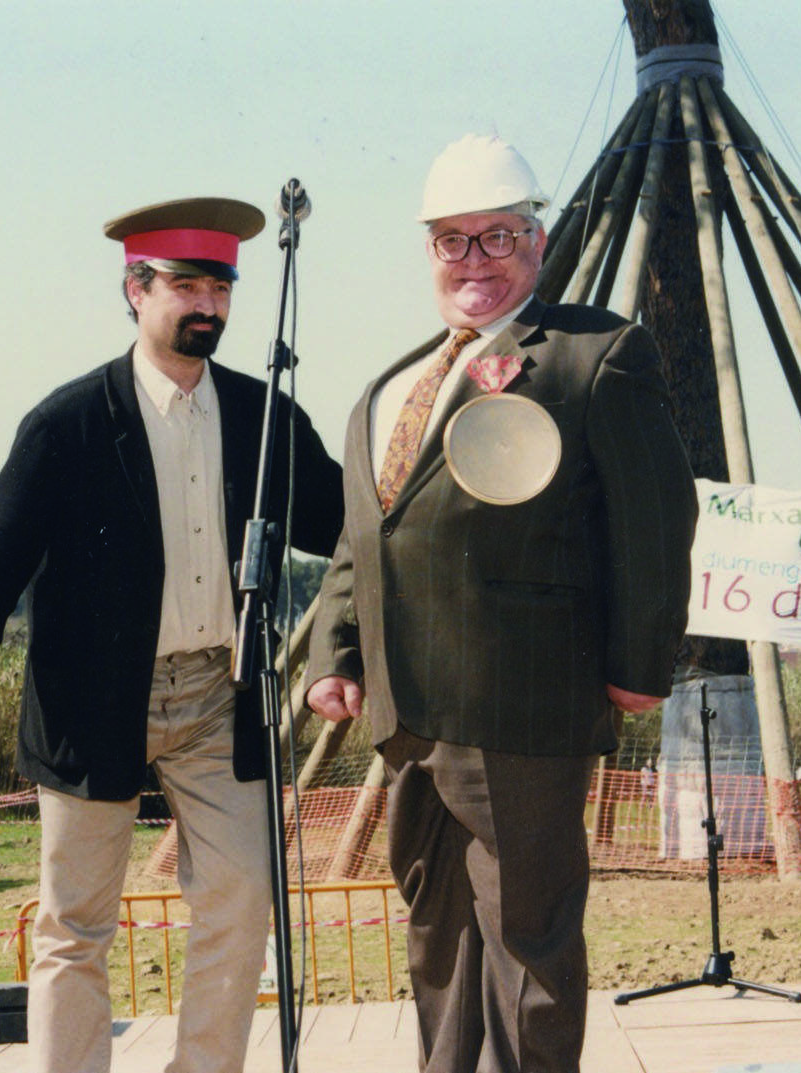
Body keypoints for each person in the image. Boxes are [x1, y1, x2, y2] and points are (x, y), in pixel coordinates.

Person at [0, 197, 344, 1073]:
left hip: (222, 694)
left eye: (220, 284)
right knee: (75, 924)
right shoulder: (65, 425)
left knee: (243, 897)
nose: (207, 304)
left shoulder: (266, 418)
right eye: (185, 283)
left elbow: (353, 531)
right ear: (134, 290)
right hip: (92, 701)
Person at [304, 135, 698, 1072]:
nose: (474, 261)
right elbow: (371, 534)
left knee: (530, 941)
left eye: (497, 236)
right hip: (409, 715)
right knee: (437, 942)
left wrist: (639, 667)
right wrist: (335, 651)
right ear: (427, 249)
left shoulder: (595, 355)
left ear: (539, 239)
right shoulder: (386, 385)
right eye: (453, 240)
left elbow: (657, 516)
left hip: (525, 708)